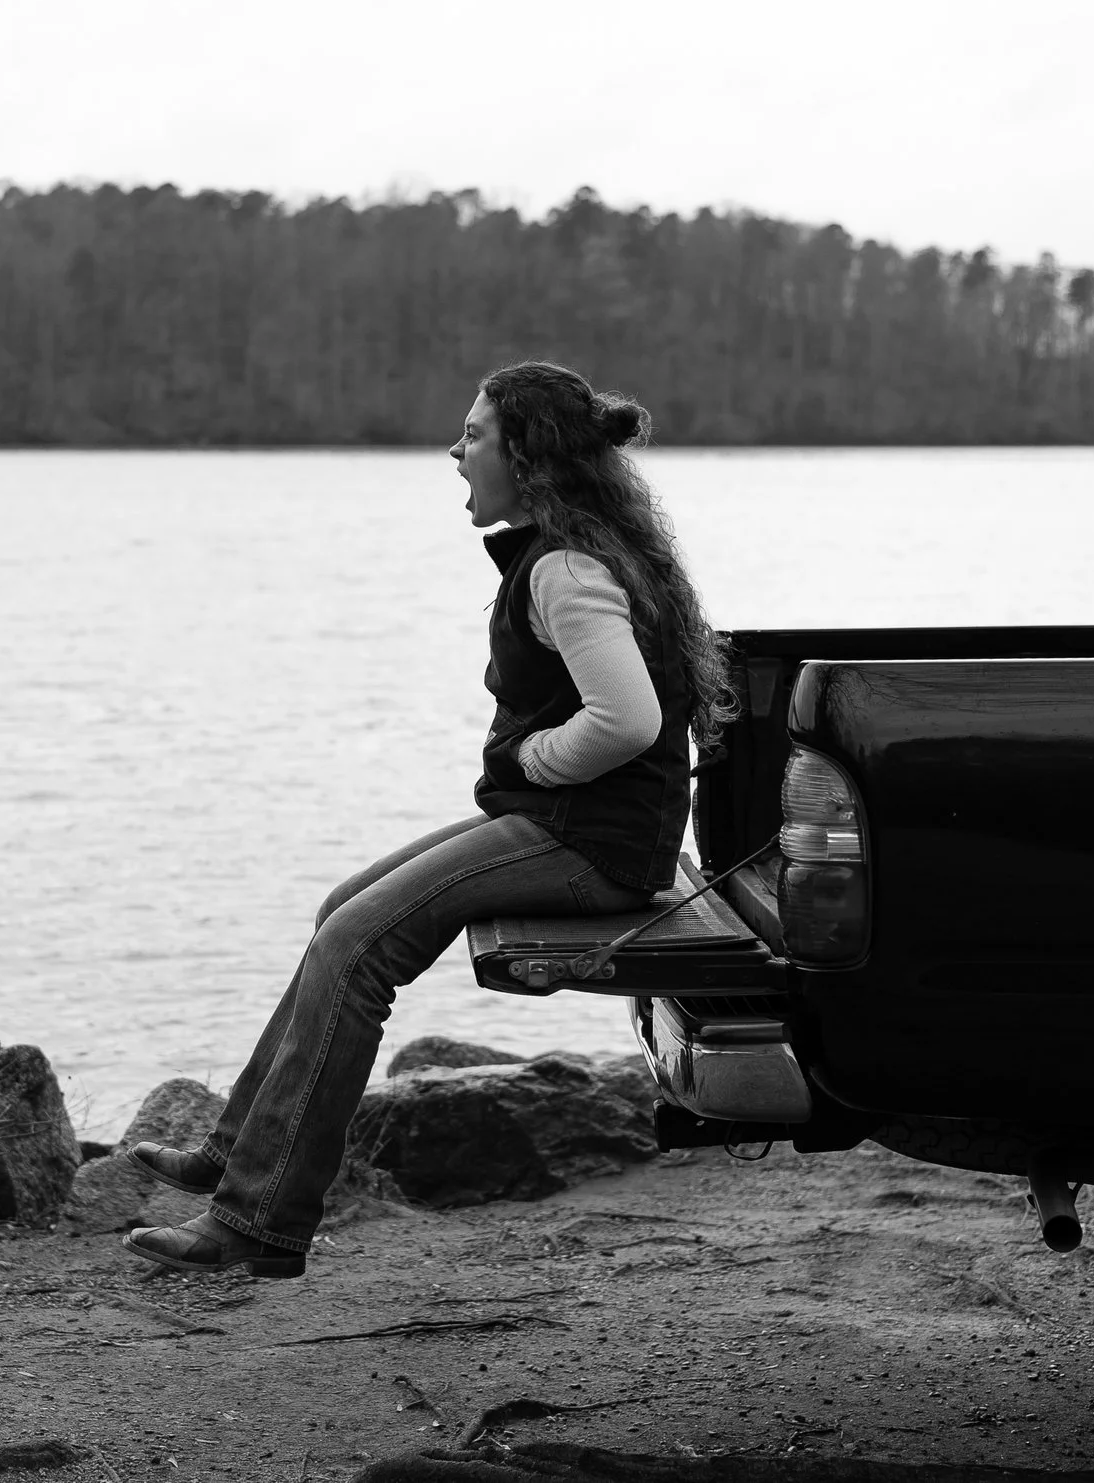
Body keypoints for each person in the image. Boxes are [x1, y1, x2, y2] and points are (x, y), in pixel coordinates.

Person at [121, 360, 739, 1278]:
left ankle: (257, 1220)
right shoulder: (577, 550)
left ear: (526, 458)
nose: (456, 451)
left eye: (474, 434)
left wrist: (533, 758)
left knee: (355, 949)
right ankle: (235, 1148)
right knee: (343, 910)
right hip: (574, 830)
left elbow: (628, 721)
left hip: (592, 847)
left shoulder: (567, 570)